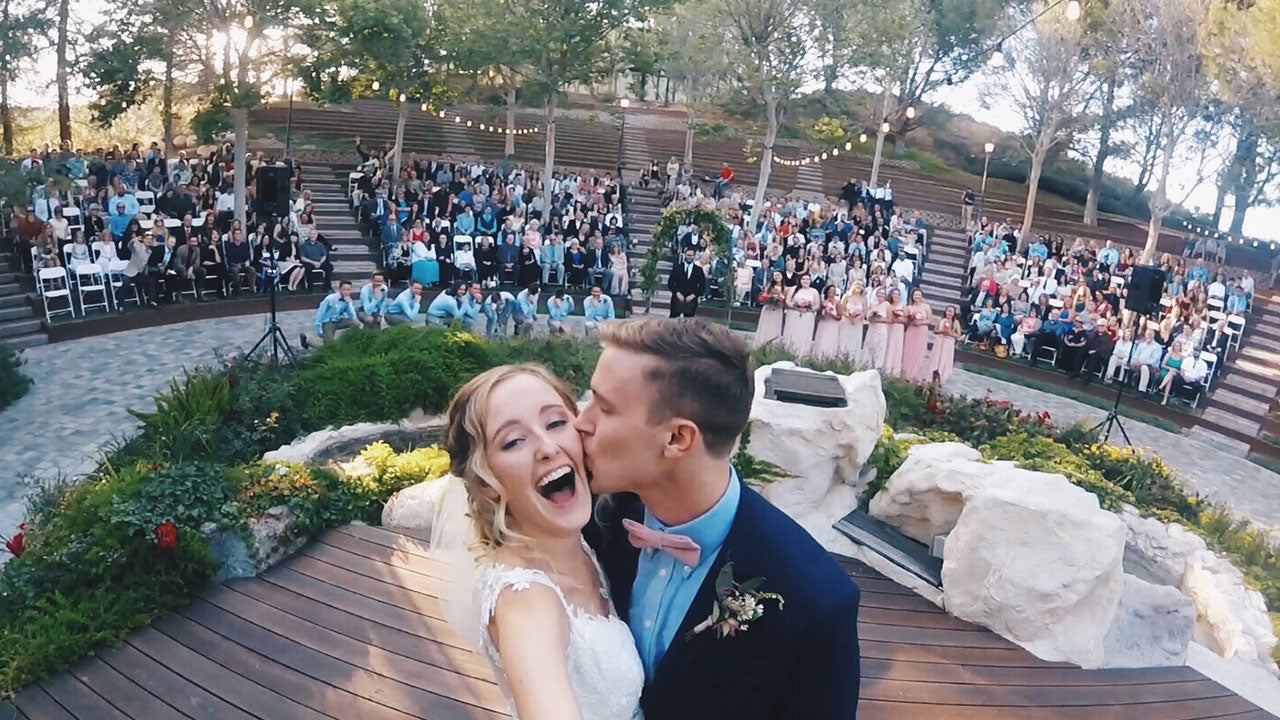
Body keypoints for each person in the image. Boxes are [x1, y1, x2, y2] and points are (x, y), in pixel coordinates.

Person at [578, 318, 861, 719]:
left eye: (603, 408)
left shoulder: (815, 602)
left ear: (678, 438)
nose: (581, 422)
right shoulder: (590, 519)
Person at [439, 364, 644, 720]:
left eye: (555, 423)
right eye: (514, 441)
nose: (547, 447)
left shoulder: (576, 542)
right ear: (486, 480)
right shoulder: (526, 602)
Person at [312, 279, 363, 344]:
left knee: (355, 323)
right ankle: (308, 342)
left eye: (348, 290)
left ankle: (352, 341)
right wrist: (319, 329)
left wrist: (350, 304)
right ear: (340, 289)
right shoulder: (330, 299)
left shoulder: (347, 300)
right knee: (330, 345)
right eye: (344, 289)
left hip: (338, 320)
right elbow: (320, 313)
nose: (346, 292)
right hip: (328, 322)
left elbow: (352, 317)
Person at [901, 289, 932, 383]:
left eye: (919, 295)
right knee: (909, 351)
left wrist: (920, 322)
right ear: (912, 296)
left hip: (922, 330)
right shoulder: (909, 307)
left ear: (922, 296)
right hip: (911, 330)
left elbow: (930, 320)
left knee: (919, 352)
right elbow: (905, 320)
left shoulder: (926, 307)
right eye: (915, 295)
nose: (917, 297)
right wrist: (911, 319)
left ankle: (916, 374)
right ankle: (907, 373)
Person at [667, 247, 705, 318]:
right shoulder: (677, 267)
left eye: (691, 255)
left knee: (689, 324)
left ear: (694, 256)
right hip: (677, 299)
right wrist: (677, 293)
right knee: (673, 322)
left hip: (691, 301)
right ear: (685, 255)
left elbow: (702, 286)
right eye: (688, 255)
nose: (689, 257)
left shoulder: (699, 270)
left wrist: (693, 295)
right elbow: (671, 282)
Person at [930, 305, 962, 384]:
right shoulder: (941, 320)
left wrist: (950, 333)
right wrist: (940, 331)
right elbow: (935, 330)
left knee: (944, 358)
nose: (949, 313)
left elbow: (958, 335)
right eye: (948, 311)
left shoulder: (955, 322)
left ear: (954, 313)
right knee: (937, 358)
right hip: (940, 341)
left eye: (951, 312)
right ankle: (934, 373)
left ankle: (941, 375)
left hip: (948, 342)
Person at [753, 270, 786, 347]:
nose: (777, 277)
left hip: (778, 310)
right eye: (775, 275)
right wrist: (769, 297)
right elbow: (764, 295)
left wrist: (779, 297)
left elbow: (785, 299)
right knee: (766, 326)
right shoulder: (769, 286)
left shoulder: (786, 288)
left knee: (775, 327)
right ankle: (762, 343)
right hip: (768, 308)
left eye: (778, 275)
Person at [838, 281, 866, 364]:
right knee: (844, 340)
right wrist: (849, 317)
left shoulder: (864, 298)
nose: (859, 286)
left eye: (861, 285)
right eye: (858, 284)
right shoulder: (847, 296)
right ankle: (840, 360)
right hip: (846, 321)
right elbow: (841, 309)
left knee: (854, 342)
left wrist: (858, 317)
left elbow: (864, 312)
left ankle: (852, 362)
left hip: (857, 323)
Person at [811, 284, 842, 358]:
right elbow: (818, 314)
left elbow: (840, 317)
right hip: (823, 323)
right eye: (830, 290)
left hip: (832, 324)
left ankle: (829, 356)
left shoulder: (837, 303)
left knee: (829, 340)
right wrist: (823, 314)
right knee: (821, 339)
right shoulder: (823, 302)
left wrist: (831, 314)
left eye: (833, 291)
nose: (831, 292)